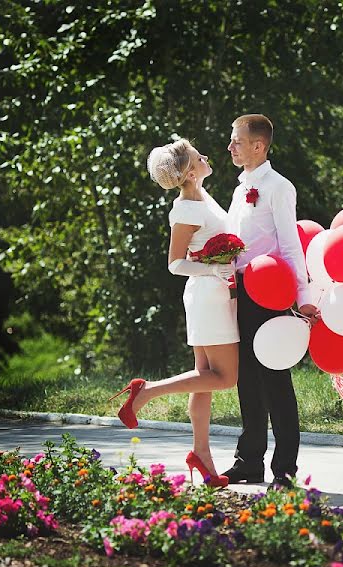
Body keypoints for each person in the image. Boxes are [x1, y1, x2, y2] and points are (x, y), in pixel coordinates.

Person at [110, 138, 239, 488]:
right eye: (200, 155)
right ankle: (147, 391)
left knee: (204, 378)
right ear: (190, 170)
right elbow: (175, 263)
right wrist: (213, 270)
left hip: (215, 293)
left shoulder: (203, 197)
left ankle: (202, 456)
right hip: (207, 296)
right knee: (225, 377)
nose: (207, 156)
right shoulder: (184, 208)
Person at [221, 114, 318, 488]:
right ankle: (248, 462)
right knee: (246, 377)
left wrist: (304, 297)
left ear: (258, 146)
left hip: (271, 290)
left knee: (274, 378)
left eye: (237, 142)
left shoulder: (279, 187)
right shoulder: (239, 187)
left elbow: (291, 245)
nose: (231, 147)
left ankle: (285, 470)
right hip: (242, 290)